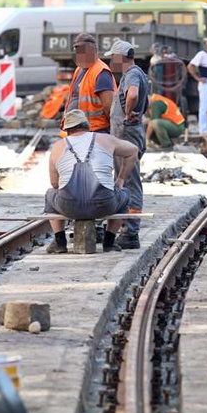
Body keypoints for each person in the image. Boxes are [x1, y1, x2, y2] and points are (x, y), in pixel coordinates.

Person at [44, 109, 139, 254]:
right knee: (125, 194)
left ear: (67, 130)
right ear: (87, 126)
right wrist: (120, 179)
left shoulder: (57, 147)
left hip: (69, 206)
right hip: (105, 204)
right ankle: (109, 243)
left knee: (50, 194)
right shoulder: (105, 139)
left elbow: (55, 184)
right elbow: (133, 151)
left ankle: (60, 243)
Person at [106, 40, 149, 250]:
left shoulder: (132, 73)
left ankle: (131, 232)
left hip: (126, 133)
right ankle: (125, 227)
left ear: (119, 57)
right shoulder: (135, 72)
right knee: (125, 180)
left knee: (129, 180)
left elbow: (132, 94)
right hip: (128, 133)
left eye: (112, 57)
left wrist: (126, 113)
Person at [64, 33, 116, 133]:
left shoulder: (101, 72)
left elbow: (109, 107)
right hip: (80, 130)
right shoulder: (79, 70)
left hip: (97, 130)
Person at [188, 38, 207, 135]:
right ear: (206, 45)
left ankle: (206, 128)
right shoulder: (201, 54)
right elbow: (190, 66)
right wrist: (198, 78)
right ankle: (202, 129)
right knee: (204, 106)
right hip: (204, 83)